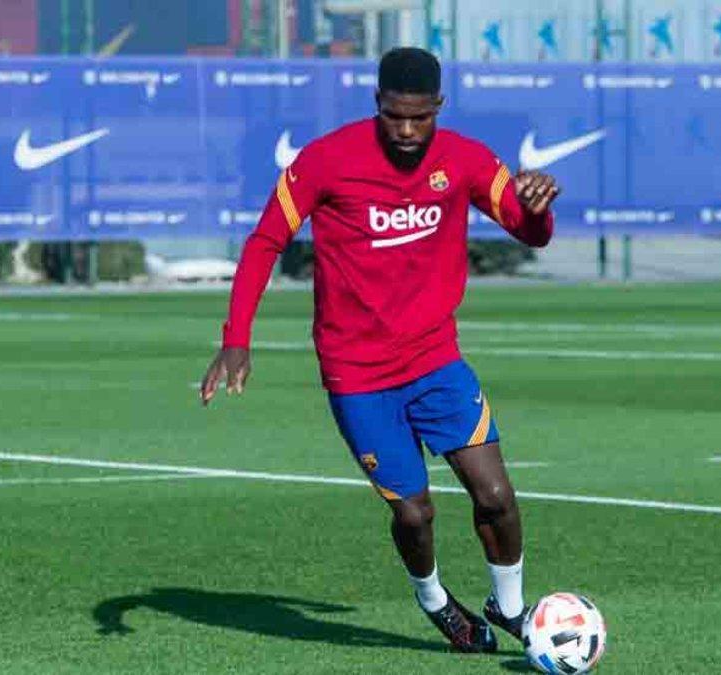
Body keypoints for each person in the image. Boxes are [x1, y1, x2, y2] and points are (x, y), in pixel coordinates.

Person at [200, 47, 559, 653]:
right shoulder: (325, 161)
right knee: (414, 513)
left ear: (439, 107)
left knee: (496, 496)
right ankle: (436, 601)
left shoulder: (467, 159)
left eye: (421, 118)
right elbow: (265, 241)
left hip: (436, 361)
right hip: (358, 376)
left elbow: (530, 233)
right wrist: (236, 340)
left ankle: (512, 607)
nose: (409, 131)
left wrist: (538, 209)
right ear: (378, 105)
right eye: (396, 117)